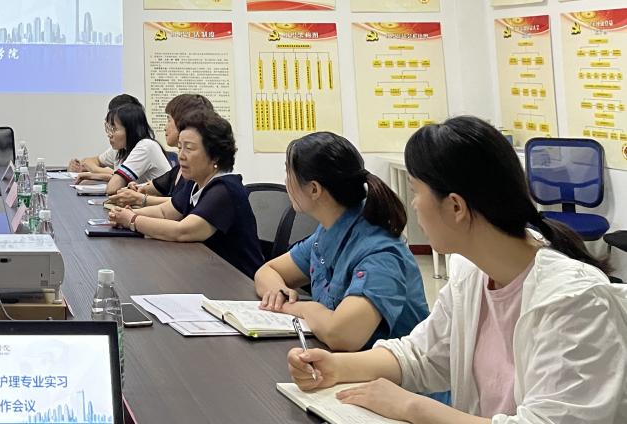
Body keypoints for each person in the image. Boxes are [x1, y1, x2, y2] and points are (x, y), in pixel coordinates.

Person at [288, 116, 627, 424]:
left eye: (416, 192)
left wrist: (413, 407)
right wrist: (336, 368)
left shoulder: (576, 301)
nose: (413, 204)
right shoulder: (472, 274)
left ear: (455, 207)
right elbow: (424, 356)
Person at [253, 132, 429, 350]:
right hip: (343, 363)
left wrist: (300, 308)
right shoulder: (328, 232)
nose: (286, 181)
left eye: (289, 173)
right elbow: (267, 271)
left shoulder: (379, 252)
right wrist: (278, 292)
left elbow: (343, 334)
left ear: (314, 189)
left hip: (390, 371)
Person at [107, 108, 263, 278]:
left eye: (189, 148)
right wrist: (125, 213)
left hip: (238, 282)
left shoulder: (224, 190)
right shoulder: (195, 182)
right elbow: (164, 212)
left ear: (215, 156)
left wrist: (132, 220)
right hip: (209, 271)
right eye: (180, 148)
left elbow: (182, 231)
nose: (181, 156)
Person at [108, 94, 215, 209]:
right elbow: (152, 187)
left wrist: (139, 200)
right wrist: (136, 189)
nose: (165, 127)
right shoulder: (177, 171)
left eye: (169, 120)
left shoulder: (197, 172)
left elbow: (182, 204)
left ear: (184, 122)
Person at [74, 99, 172, 195]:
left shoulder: (145, 147)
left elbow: (112, 188)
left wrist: (98, 175)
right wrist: (95, 176)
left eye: (114, 129)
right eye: (109, 129)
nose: (110, 135)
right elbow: (89, 162)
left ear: (131, 130)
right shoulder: (123, 148)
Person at [69, 94, 143, 174]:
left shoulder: (143, 148)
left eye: (114, 127)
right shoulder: (120, 149)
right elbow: (90, 161)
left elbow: (121, 177)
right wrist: (82, 167)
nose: (110, 134)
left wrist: (96, 170)